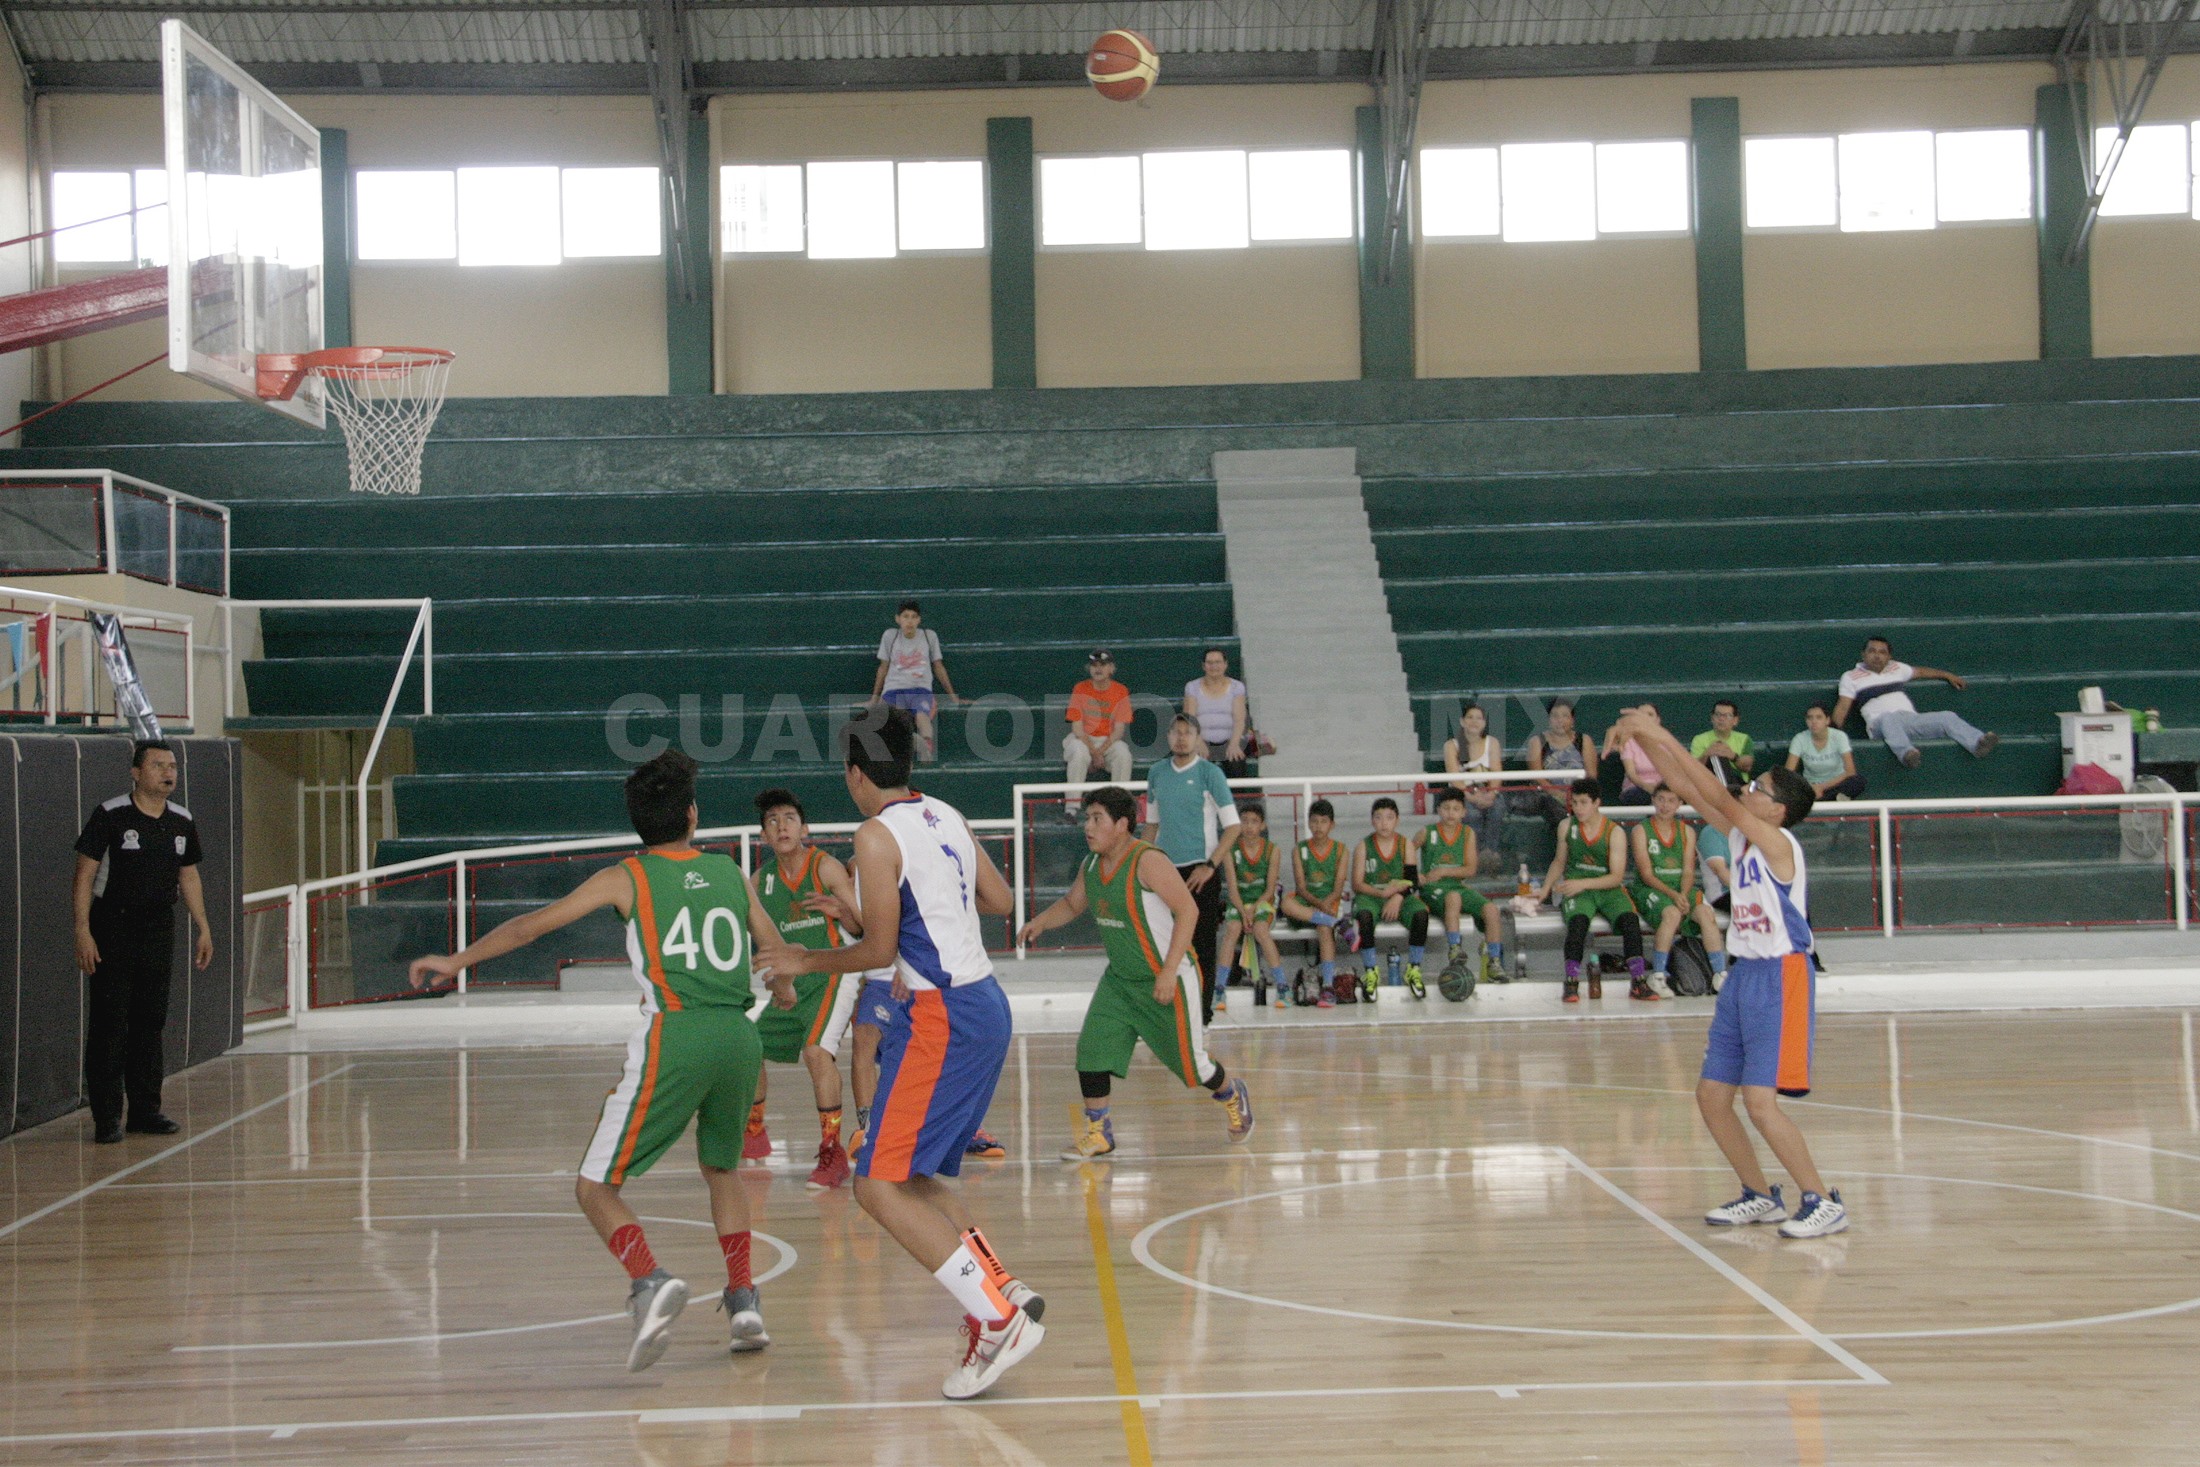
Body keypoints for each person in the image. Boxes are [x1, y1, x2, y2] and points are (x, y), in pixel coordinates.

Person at [408, 750, 787, 1371]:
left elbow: (531, 927)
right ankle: (744, 1301)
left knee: (594, 1186)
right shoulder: (729, 872)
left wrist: (455, 963)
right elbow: (772, 949)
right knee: (723, 1170)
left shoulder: (627, 876)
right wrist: (791, 991)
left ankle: (649, 1280)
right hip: (740, 1039)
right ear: (693, 815)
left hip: (678, 1035)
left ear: (638, 823)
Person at [752, 706, 1045, 1401]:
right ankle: (1000, 1286)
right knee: (909, 1173)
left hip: (943, 1015)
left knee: (876, 1184)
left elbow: (881, 951)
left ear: (856, 774)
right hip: (983, 1004)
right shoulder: (945, 812)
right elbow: (998, 899)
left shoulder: (875, 834)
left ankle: (997, 1317)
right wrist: (869, 912)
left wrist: (805, 955)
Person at [1611, 707, 1848, 1239]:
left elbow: (1714, 795)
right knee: (1712, 1097)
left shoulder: (1778, 843)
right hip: (1744, 976)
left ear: (1779, 810)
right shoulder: (1743, 835)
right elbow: (1689, 788)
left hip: (1781, 976)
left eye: (1759, 787)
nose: (1747, 790)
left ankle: (1822, 1200)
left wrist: (1657, 731)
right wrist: (1649, 744)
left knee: (1760, 1104)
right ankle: (1760, 1195)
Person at [1020, 786, 1256, 1162]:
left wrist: (1166, 972)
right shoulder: (1092, 865)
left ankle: (1232, 1093)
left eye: (1097, 819)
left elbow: (1189, 912)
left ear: (1123, 824)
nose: (1088, 826)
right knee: (1092, 1051)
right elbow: (1071, 903)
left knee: (1193, 1066)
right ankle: (1099, 1133)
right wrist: (1040, 923)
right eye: (1087, 818)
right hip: (1121, 981)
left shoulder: (1148, 861)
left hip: (1169, 977)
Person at [72, 740, 214, 1145]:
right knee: (110, 1023)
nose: (168, 773)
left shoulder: (182, 820)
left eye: (172, 766)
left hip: (157, 927)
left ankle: (145, 1111)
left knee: (150, 1022)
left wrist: (202, 925)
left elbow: (188, 876)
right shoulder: (111, 815)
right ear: (136, 773)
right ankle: (106, 1117)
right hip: (112, 926)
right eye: (158, 765)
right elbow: (84, 874)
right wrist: (82, 929)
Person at [745, 788, 873, 1190]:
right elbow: (762, 945)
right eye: (772, 820)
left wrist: (843, 912)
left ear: (805, 828)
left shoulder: (826, 867)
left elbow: (867, 928)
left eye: (788, 818)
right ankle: (754, 1132)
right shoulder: (758, 882)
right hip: (792, 980)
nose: (781, 825)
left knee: (817, 1052)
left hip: (834, 969)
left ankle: (832, 1152)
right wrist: (779, 982)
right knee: (748, 1047)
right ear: (763, 835)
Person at [1140, 713, 1242, 1023]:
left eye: (1188, 732)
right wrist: (1139, 862)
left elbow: (1233, 826)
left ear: (1197, 738)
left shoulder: (1210, 774)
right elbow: (1152, 824)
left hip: (1200, 873)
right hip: (1165, 871)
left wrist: (1210, 866)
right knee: (1163, 942)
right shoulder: (1157, 773)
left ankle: (1202, 1016)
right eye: (1176, 732)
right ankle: (1167, 1011)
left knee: (1201, 946)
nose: (1181, 738)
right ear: (1168, 737)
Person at [1534, 779, 1647, 1003]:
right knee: (1578, 923)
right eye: (1574, 802)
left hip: (1607, 887)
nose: (1578, 808)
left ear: (1597, 803)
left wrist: (1583, 884)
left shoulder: (1614, 832)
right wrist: (1545, 889)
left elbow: (1616, 876)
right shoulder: (1567, 827)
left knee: (1629, 921)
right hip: (1578, 887)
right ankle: (1571, 982)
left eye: (1583, 803)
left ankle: (1639, 981)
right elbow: (1559, 861)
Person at [1831, 636, 1998, 770]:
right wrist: (1831, 736)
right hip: (1880, 724)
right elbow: (1843, 707)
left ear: (1889, 656)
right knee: (1889, 718)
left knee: (1947, 716)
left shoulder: (1896, 668)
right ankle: (1907, 754)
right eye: (1872, 651)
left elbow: (1921, 671)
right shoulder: (1850, 676)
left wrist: (1947, 675)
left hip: (1910, 720)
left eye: (1882, 652)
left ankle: (1977, 744)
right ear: (1863, 654)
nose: (1877, 655)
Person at [1628, 785, 1727, 995]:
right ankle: (1658, 976)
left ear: (1680, 804)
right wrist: (1674, 897)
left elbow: (1689, 870)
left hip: (1681, 886)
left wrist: (1682, 893)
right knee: (1672, 914)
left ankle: (1720, 974)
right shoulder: (1641, 830)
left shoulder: (1687, 831)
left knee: (1705, 914)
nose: (1665, 805)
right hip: (1650, 887)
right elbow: (1646, 873)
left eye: (1671, 800)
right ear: (1653, 800)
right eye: (1661, 799)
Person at [1414, 786, 1506, 986]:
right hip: (1434, 888)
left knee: (1491, 909)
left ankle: (1494, 962)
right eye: (1446, 808)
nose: (1450, 813)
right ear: (1438, 810)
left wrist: (1444, 871)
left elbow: (1470, 869)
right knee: (1453, 898)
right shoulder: (1426, 832)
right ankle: (1455, 948)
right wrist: (1416, 876)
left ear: (1464, 812)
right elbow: (1404, 854)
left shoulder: (1467, 833)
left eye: (1456, 809)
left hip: (1457, 886)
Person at [1278, 797, 1353, 1007]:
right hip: (1309, 902)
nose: (1318, 826)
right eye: (1314, 821)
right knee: (1286, 903)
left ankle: (1328, 987)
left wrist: (1325, 906)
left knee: (1323, 927)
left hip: (1330, 900)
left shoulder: (1341, 850)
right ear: (1308, 823)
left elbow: (1338, 888)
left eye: (1323, 821)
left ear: (1332, 824)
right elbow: (1301, 887)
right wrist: (1321, 908)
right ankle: (1336, 923)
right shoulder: (1299, 849)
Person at [1350, 796, 1427, 999]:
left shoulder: (1405, 845)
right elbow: (1357, 884)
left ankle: (1414, 968)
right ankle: (1370, 971)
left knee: (1421, 914)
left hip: (1400, 896)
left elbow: (1411, 881)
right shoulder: (1363, 846)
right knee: (1364, 916)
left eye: (1389, 818)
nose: (1384, 823)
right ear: (1372, 820)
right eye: (1379, 818)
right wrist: (1382, 894)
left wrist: (1397, 898)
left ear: (1397, 820)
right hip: (1371, 895)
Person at [1213, 801, 1285, 1006]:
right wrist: (1244, 912)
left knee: (1261, 930)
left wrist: (1253, 910)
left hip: (1263, 901)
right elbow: (1232, 888)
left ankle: (1282, 987)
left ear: (1263, 826)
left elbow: (1270, 889)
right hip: (1239, 901)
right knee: (1232, 930)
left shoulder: (1272, 850)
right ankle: (1219, 990)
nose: (1249, 826)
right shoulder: (1230, 850)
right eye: (1244, 821)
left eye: (1254, 822)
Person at [870, 600, 959, 763]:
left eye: (913, 617)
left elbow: (938, 666)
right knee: (895, 717)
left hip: (921, 689)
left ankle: (926, 743)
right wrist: (874, 698)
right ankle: (910, 741)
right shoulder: (890, 636)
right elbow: (883, 668)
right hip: (893, 690)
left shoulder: (928, 636)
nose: (909, 621)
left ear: (919, 620)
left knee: (921, 716)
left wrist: (952, 695)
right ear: (898, 619)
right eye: (905, 616)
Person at [1064, 649, 1133, 786]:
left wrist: (1098, 753)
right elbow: (1078, 730)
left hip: (1108, 741)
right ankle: (1072, 806)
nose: (1098, 669)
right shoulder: (1080, 688)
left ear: (1111, 668)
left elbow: (1118, 731)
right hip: (1082, 739)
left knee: (1123, 754)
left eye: (1103, 665)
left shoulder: (1121, 691)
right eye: (1094, 665)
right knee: (1078, 752)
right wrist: (1094, 753)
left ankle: (1118, 805)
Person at [1524, 699, 1599, 824]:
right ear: (1548, 720)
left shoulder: (1584, 740)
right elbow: (1537, 777)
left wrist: (1576, 797)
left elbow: (1591, 775)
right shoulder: (1537, 741)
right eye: (1555, 716)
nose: (1560, 720)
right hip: (1547, 797)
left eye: (1565, 716)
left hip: (1578, 795)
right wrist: (1559, 795)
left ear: (1572, 720)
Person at [1183, 648, 1250, 779]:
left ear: (1225, 664)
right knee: (1196, 762)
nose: (1214, 666)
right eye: (1209, 662)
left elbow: (1239, 720)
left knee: (1236, 760)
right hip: (1201, 740)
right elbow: (1190, 719)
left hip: (1229, 740)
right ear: (1203, 666)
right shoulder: (1192, 687)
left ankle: (1237, 799)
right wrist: (1198, 742)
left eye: (1218, 662)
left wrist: (1234, 744)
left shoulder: (1237, 687)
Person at [1786, 703, 1866, 800]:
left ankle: (1824, 800)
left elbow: (1850, 771)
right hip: (1811, 786)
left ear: (1827, 720)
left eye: (1819, 717)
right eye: (1810, 718)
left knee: (1858, 781)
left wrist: (1821, 787)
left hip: (1836, 783)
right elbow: (1788, 772)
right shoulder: (1799, 739)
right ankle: (1834, 799)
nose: (1814, 722)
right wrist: (1811, 788)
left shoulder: (1839, 736)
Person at [1603, 701, 1665, 804]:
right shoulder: (1628, 741)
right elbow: (1631, 774)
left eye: (1650, 714)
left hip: (1663, 790)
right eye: (1641, 715)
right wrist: (1647, 787)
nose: (1645, 718)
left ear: (1658, 720)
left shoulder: (1666, 743)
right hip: (1637, 789)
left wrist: (1661, 789)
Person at [1690, 700, 1756, 785]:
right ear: (1712, 718)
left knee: (1720, 753)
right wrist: (1707, 754)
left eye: (1727, 716)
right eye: (1718, 715)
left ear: (1735, 720)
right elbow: (1692, 769)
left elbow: (1747, 767)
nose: (1721, 719)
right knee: (1716, 756)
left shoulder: (1744, 739)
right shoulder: (1699, 739)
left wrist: (1732, 756)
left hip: (1739, 784)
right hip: (1709, 784)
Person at [1442, 701, 1502, 778]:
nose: (1474, 721)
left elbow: (1496, 775)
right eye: (1470, 717)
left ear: (1484, 723)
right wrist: (1467, 790)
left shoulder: (1492, 743)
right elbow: (1454, 779)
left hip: (1487, 790)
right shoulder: (1451, 745)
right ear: (1462, 721)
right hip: (1459, 790)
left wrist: (1491, 790)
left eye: (1479, 718)